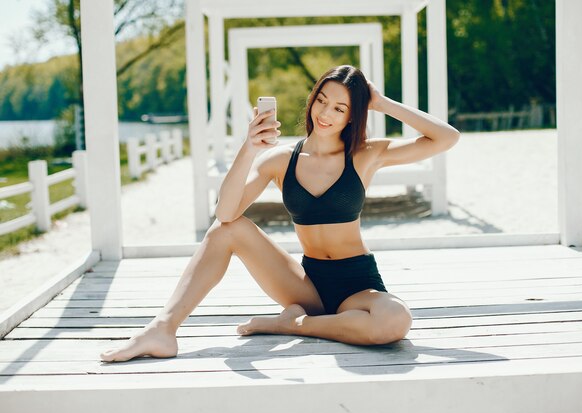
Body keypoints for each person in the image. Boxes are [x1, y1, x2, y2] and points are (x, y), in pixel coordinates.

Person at [100, 65, 460, 362]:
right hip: (306, 283)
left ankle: (292, 325)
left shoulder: (365, 154)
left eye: (340, 108)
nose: (325, 113)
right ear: (312, 100)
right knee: (226, 230)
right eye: (322, 100)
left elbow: (446, 138)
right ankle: (162, 329)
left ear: (353, 116)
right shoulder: (279, 160)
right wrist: (248, 148)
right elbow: (225, 214)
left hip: (357, 285)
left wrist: (380, 102)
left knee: (395, 321)